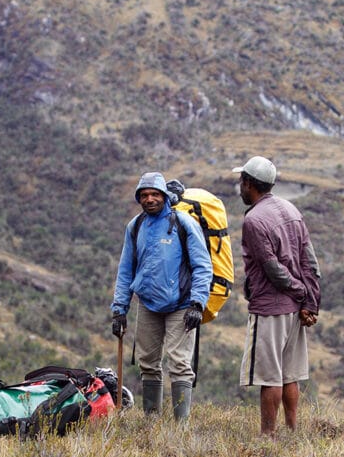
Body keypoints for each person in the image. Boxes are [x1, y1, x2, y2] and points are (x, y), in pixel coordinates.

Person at [110, 172, 213, 420]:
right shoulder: (135, 227)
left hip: (182, 305)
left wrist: (198, 304)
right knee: (148, 362)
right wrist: (119, 309)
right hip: (148, 304)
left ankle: (180, 427)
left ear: (164, 196)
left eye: (155, 194)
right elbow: (126, 270)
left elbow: (202, 266)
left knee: (179, 364)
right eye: (144, 195)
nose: (149, 199)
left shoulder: (184, 223)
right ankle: (151, 421)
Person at [234, 156, 321, 436]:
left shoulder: (254, 220)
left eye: (241, 182)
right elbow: (310, 262)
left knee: (269, 376)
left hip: (270, 307)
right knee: (289, 374)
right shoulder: (291, 210)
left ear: (249, 184)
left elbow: (272, 267)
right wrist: (308, 301)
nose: (239, 187)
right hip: (295, 309)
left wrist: (299, 291)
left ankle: (267, 436)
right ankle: (292, 431)